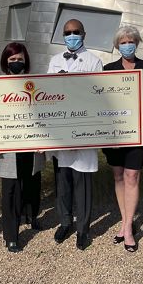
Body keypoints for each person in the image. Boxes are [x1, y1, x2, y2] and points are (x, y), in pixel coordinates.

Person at [46, 19, 103, 250]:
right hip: (61, 129)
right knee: (63, 180)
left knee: (82, 182)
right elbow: (45, 94)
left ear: (84, 34)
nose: (71, 36)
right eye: (67, 32)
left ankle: (83, 229)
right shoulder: (54, 60)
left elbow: (100, 94)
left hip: (83, 129)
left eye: (75, 32)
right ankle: (65, 221)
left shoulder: (94, 61)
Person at [102, 26, 143, 253]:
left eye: (131, 41)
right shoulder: (108, 69)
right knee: (118, 175)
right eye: (123, 42)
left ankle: (127, 229)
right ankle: (125, 220)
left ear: (137, 43)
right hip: (114, 130)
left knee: (132, 175)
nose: (127, 45)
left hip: (137, 130)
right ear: (117, 46)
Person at [0, 42, 46, 253]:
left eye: (20, 59)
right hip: (9, 145)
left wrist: (45, 140)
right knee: (11, 189)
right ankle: (11, 235)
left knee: (33, 181)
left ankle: (32, 217)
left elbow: (44, 114)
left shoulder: (35, 84)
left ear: (26, 61)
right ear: (6, 61)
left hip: (32, 144)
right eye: (12, 59)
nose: (16, 63)